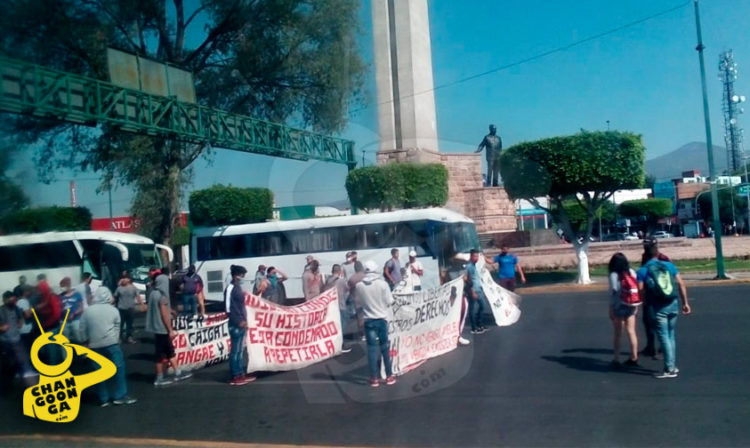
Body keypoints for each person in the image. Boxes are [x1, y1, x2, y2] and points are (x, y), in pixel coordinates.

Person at [637, 244, 691, 379]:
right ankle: (672, 365)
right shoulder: (669, 266)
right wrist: (685, 303)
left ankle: (669, 368)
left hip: (657, 306)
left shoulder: (643, 270)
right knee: (671, 334)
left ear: (645, 255)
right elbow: (681, 284)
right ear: (657, 253)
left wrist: (645, 302)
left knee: (663, 336)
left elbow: (640, 289)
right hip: (673, 303)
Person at [80, 286, 136, 406]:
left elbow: (82, 329)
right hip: (111, 343)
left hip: (93, 345)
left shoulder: (88, 311)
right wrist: (115, 339)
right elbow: (117, 327)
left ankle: (103, 399)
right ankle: (120, 395)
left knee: (98, 372)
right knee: (119, 368)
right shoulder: (113, 310)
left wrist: (85, 342)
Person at [145, 271, 192, 387]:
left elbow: (158, 308)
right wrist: (170, 329)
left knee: (169, 351)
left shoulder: (153, 293)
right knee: (160, 354)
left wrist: (169, 310)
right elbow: (164, 314)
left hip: (155, 328)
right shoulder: (162, 296)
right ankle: (159, 378)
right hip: (162, 329)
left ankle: (177, 372)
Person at [355, 260, 396, 387]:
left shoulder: (359, 286)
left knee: (372, 350)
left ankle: (374, 378)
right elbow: (390, 301)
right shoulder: (382, 284)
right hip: (382, 319)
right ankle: (389, 376)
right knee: (384, 348)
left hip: (369, 320)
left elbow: (359, 303)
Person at [640, 237, 672, 358]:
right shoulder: (645, 257)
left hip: (660, 294)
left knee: (660, 324)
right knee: (648, 322)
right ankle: (650, 347)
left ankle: (662, 349)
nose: (645, 247)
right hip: (649, 295)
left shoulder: (663, 258)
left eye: (647, 245)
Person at [607, 253, 641, 367]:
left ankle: (616, 358)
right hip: (631, 304)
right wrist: (636, 305)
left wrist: (611, 308)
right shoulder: (631, 272)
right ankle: (634, 357)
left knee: (618, 334)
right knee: (631, 331)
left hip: (619, 305)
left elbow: (613, 291)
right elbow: (636, 288)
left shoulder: (613, 274)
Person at [226, 264, 256, 386]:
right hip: (236, 324)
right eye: (242, 275)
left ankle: (240, 374)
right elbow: (228, 309)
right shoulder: (230, 288)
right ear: (236, 275)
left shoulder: (238, 288)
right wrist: (239, 321)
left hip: (242, 324)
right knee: (235, 351)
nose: (243, 277)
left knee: (239, 351)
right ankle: (235, 376)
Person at [0, 291, 33, 395]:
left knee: (23, 363)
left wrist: (19, 323)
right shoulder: (1, 310)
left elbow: (21, 318)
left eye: (14, 300)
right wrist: (1, 328)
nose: (13, 302)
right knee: (7, 366)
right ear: (5, 300)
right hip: (5, 342)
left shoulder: (16, 309)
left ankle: (28, 388)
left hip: (17, 340)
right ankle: (5, 388)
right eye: (11, 300)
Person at [323, 264, 352, 353]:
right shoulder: (341, 281)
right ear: (339, 271)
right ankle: (340, 344)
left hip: (331, 306)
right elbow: (347, 290)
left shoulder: (328, 280)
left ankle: (332, 343)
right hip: (340, 305)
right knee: (341, 326)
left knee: (333, 326)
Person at [114, 275, 143, 344]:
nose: (123, 280)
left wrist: (142, 304)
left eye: (125, 278)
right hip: (121, 308)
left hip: (130, 308)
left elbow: (138, 296)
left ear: (129, 279)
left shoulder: (133, 288)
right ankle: (119, 338)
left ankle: (129, 337)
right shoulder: (119, 288)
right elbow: (115, 297)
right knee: (120, 324)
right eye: (122, 278)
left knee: (129, 324)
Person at [466, 249, 487, 334]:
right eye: (475, 256)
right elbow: (469, 280)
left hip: (479, 289)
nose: (476, 258)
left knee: (483, 306)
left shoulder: (475, 265)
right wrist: (472, 291)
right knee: (472, 309)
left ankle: (480, 324)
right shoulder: (469, 266)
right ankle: (474, 328)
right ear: (471, 256)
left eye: (477, 256)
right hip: (473, 290)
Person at [59, 277, 85, 343]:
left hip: (76, 320)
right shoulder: (60, 296)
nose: (61, 288)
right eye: (61, 286)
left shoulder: (77, 294)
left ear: (68, 286)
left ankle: (82, 352)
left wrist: (74, 314)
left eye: (62, 286)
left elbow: (81, 308)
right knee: (64, 341)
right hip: (64, 321)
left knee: (79, 339)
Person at [347, 261, 367, 341]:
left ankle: (363, 334)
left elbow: (349, 289)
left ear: (355, 268)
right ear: (362, 267)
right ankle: (371, 332)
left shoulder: (352, 278)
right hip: (367, 299)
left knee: (360, 318)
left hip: (357, 299)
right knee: (369, 316)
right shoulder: (366, 276)